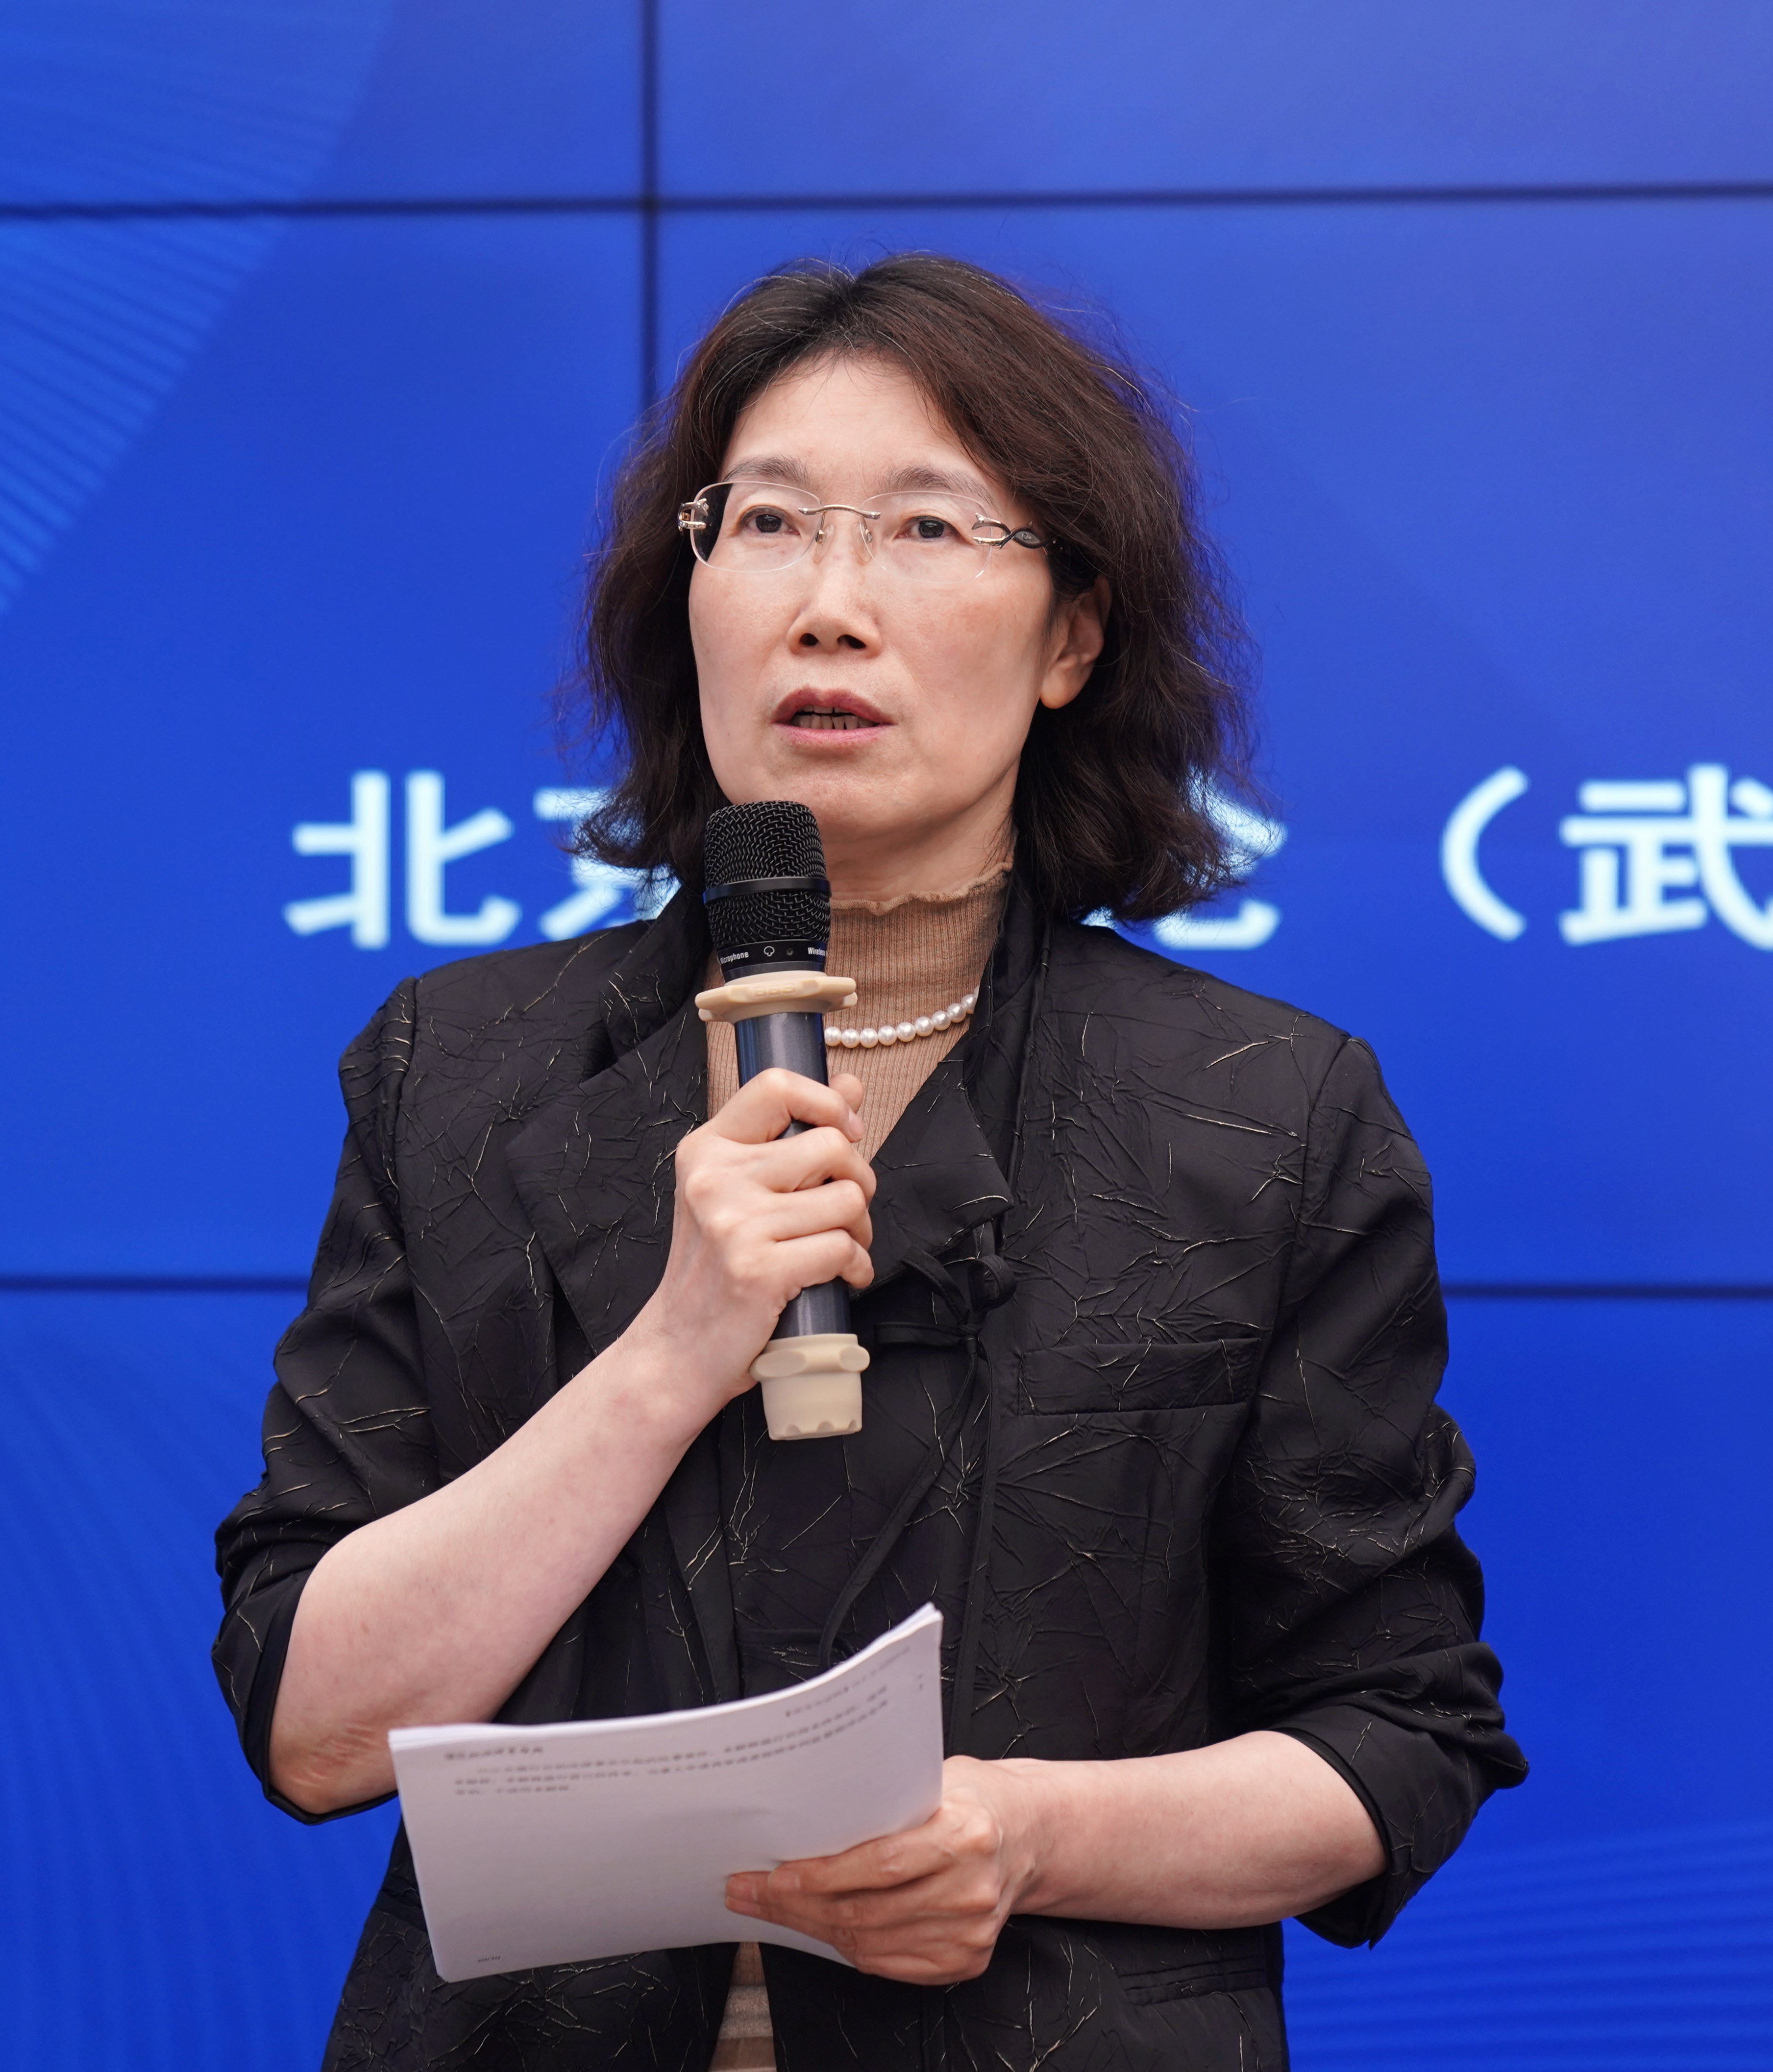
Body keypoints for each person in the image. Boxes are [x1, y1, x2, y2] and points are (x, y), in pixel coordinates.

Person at [214, 252, 1525, 2072]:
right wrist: (676, 1349)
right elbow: (315, 1727)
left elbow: (1400, 1734)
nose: (828, 608)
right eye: (768, 524)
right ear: (686, 595)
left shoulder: (1263, 1115)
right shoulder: (462, 1075)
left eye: (926, 530)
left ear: (1072, 639)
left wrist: (1032, 1833)